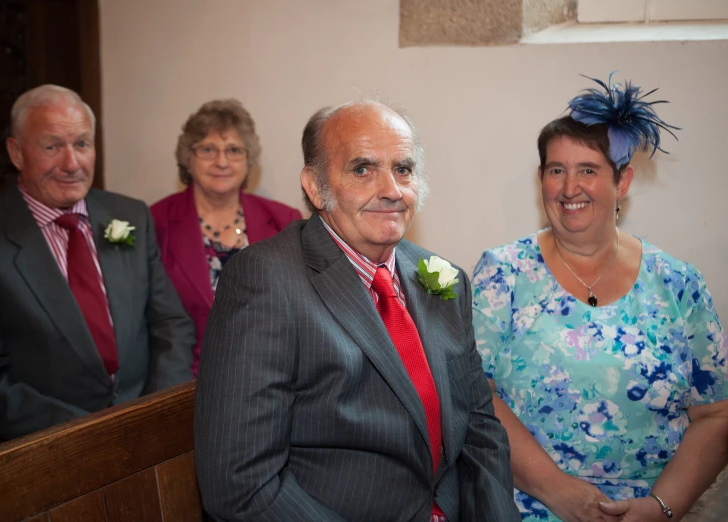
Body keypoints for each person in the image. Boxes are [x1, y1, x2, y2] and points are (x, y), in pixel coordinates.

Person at [195, 100, 519, 522]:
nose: (391, 189)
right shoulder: (266, 281)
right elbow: (239, 484)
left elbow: (480, 430)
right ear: (314, 186)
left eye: (403, 169)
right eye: (362, 169)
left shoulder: (442, 280)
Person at [471, 74, 728, 521]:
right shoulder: (504, 274)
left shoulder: (678, 283)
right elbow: (474, 396)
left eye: (588, 170)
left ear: (622, 181)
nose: (570, 189)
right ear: (542, 179)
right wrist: (558, 492)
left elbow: (716, 414)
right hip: (526, 506)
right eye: (557, 171)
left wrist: (661, 508)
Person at [0, 84, 195, 450]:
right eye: (52, 146)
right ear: (16, 152)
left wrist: (153, 411)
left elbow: (170, 322)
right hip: (43, 451)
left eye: (82, 144)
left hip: (146, 435)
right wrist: (90, 434)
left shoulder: (129, 216)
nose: (71, 163)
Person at [151, 99, 302, 376]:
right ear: (188, 157)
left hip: (273, 374)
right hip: (186, 381)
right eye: (208, 149)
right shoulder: (156, 222)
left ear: (248, 160)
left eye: (233, 150)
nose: (221, 162)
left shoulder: (286, 221)